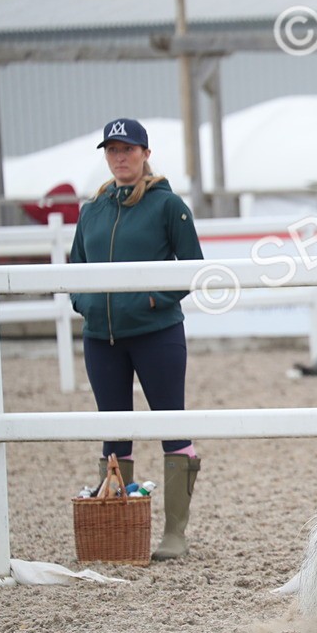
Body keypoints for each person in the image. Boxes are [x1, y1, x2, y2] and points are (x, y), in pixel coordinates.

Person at [70, 118, 204, 561]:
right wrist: (86, 305)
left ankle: (175, 534)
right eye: (112, 150)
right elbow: (75, 269)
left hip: (156, 334)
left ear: (145, 154)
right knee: (113, 431)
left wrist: (152, 299)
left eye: (128, 149)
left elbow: (192, 267)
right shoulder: (92, 210)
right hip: (100, 337)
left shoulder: (169, 206)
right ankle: (117, 525)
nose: (120, 157)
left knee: (171, 425)